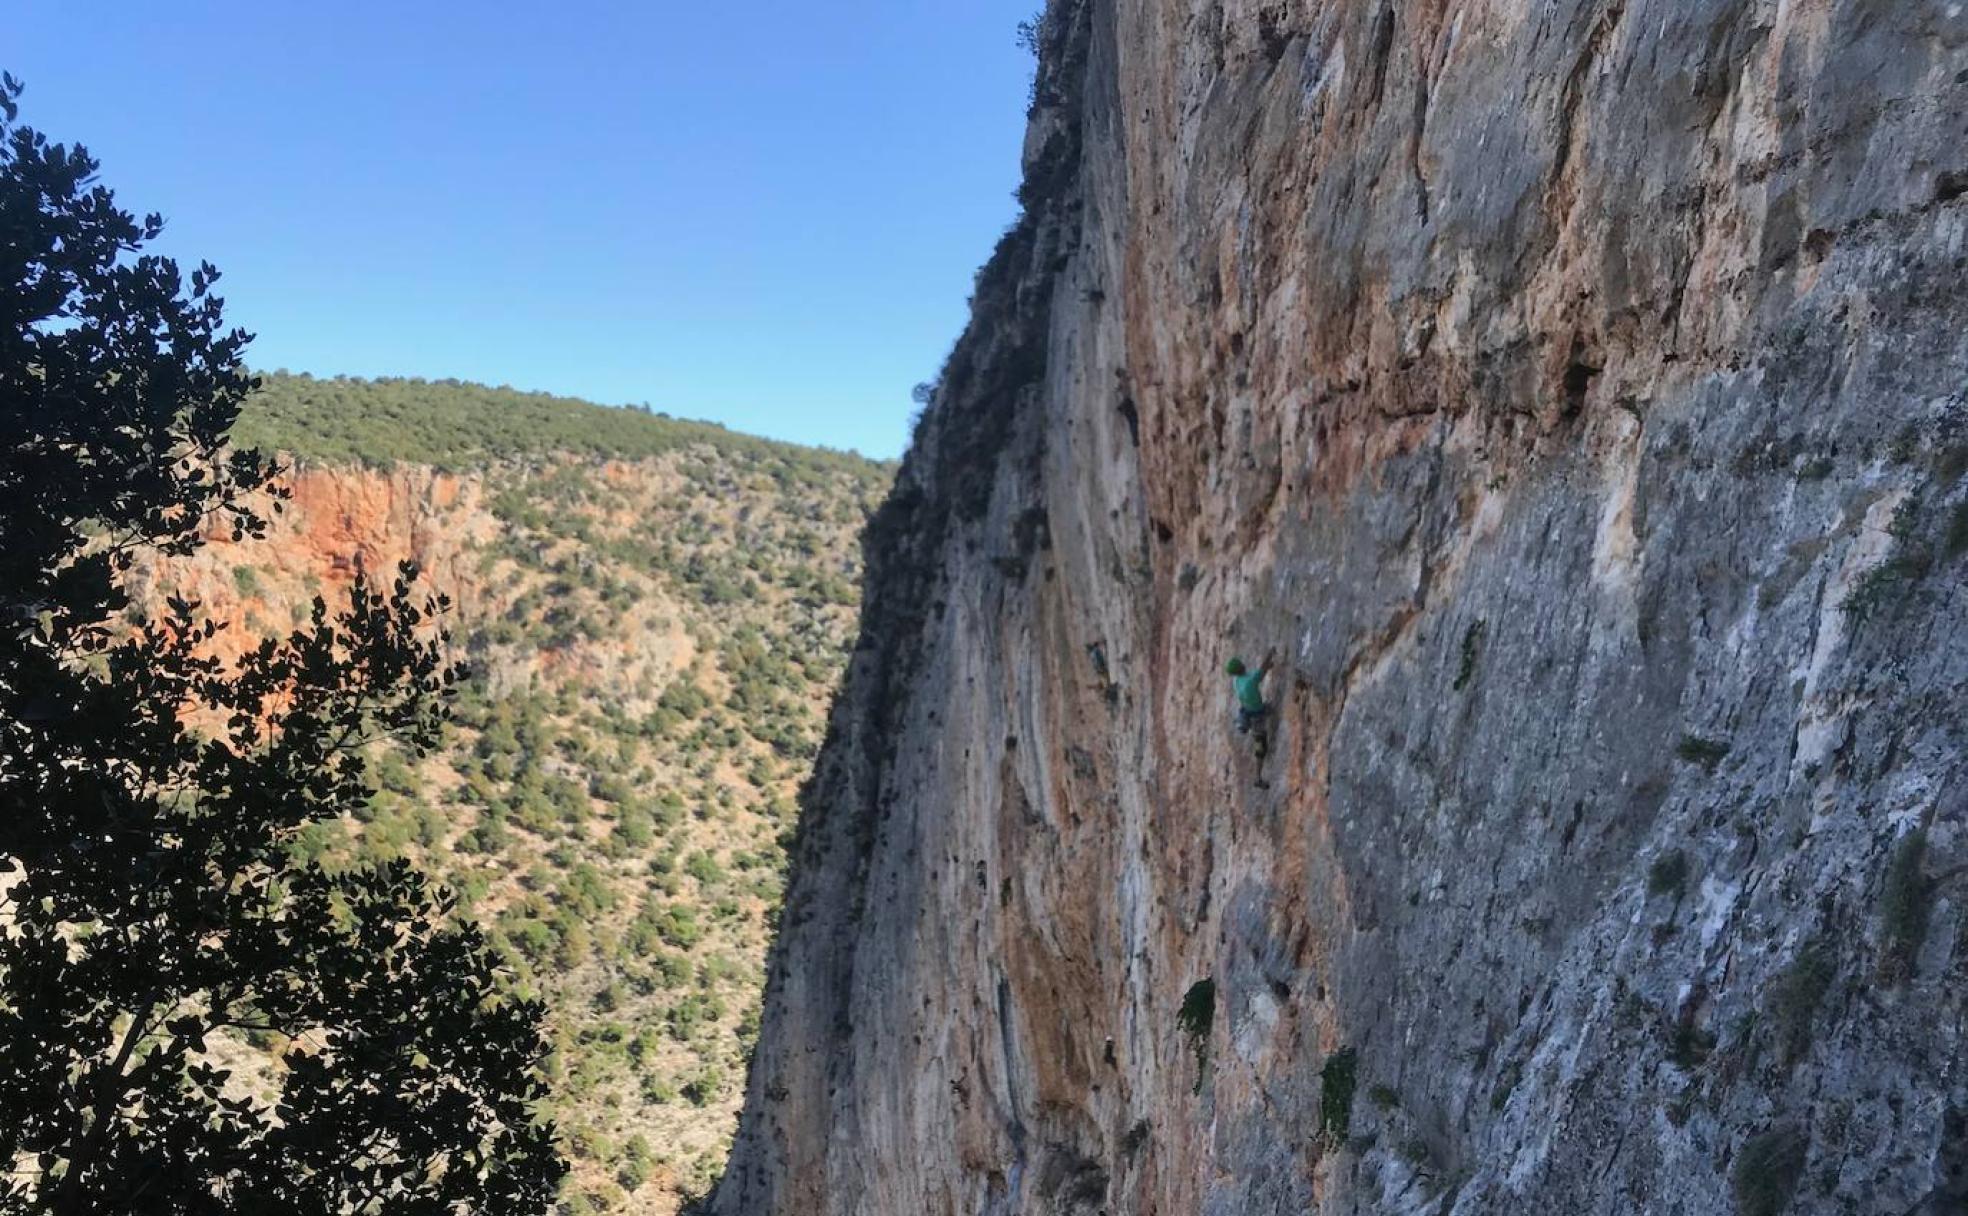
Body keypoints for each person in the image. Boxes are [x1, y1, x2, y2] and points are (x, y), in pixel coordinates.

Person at [1225, 651, 1275, 765]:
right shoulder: (1249, 681)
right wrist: (1270, 654)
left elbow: (1256, 674)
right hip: (1257, 714)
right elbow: (1261, 671)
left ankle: (1259, 751)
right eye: (1241, 664)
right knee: (1261, 743)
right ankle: (1258, 775)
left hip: (1248, 711)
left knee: (1258, 738)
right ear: (1240, 667)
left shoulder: (1236, 681)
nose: (1243, 664)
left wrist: (1268, 667)